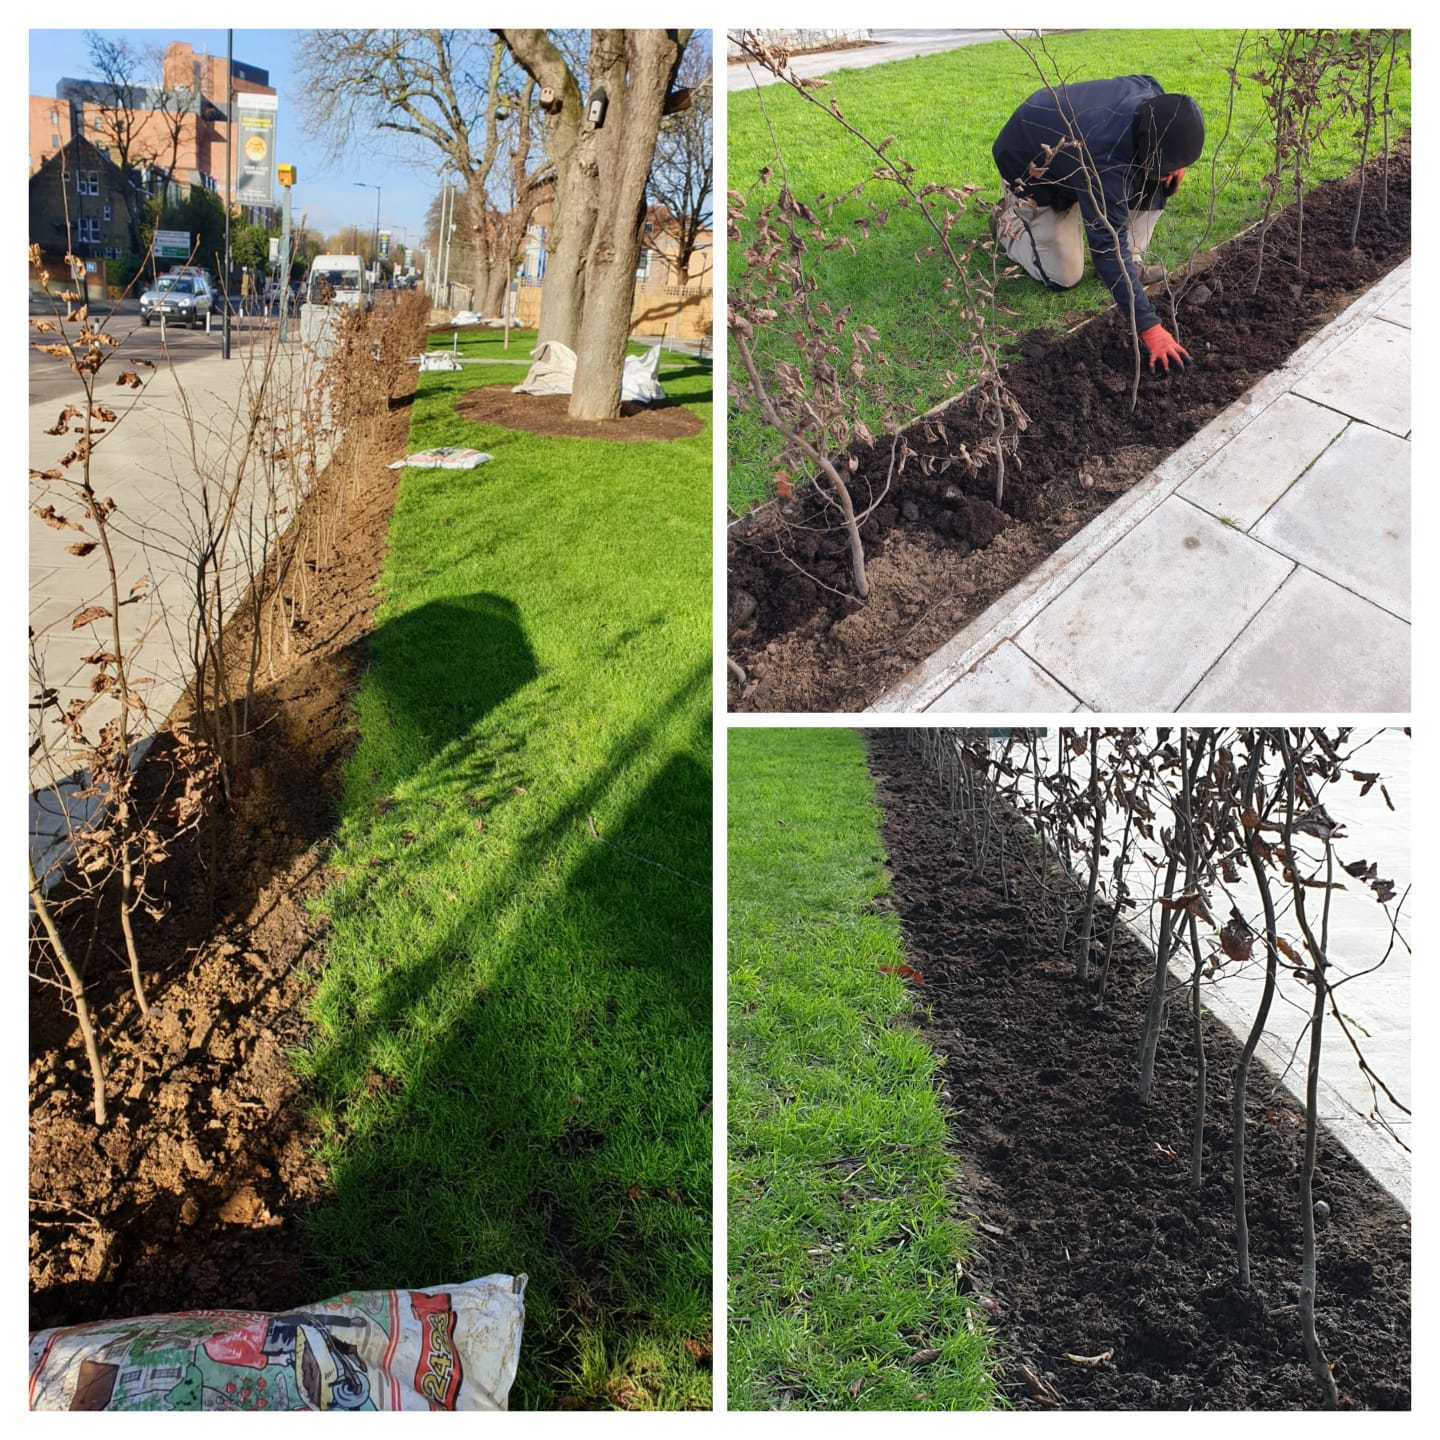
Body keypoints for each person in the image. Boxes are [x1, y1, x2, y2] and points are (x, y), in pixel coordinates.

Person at [991, 75, 1204, 373]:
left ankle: (1129, 253)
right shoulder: (1105, 161)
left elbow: (1147, 82)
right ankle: (1007, 220)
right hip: (1028, 161)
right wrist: (1150, 328)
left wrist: (1171, 167)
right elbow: (1105, 249)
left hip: (1074, 150)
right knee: (1063, 276)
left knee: (1155, 184)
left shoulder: (1155, 101)